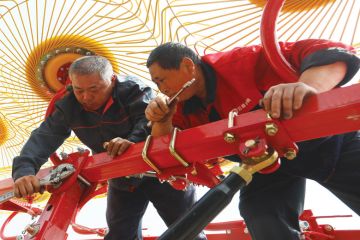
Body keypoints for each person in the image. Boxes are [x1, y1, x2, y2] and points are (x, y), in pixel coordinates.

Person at [144, 41, 360, 239]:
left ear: (188, 66)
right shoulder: (180, 107)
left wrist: (308, 85)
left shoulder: (239, 63)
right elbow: (165, 151)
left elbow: (332, 52)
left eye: (161, 80)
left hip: (330, 144)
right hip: (265, 165)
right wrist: (161, 120)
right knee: (261, 215)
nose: (161, 89)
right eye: (157, 84)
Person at [12, 55, 207, 240]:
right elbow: (43, 137)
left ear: (112, 80)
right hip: (122, 178)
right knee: (119, 235)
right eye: (79, 90)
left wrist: (131, 142)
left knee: (189, 228)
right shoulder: (68, 106)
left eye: (94, 89)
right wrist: (24, 172)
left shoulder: (135, 90)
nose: (86, 97)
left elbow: (148, 120)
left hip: (162, 172)